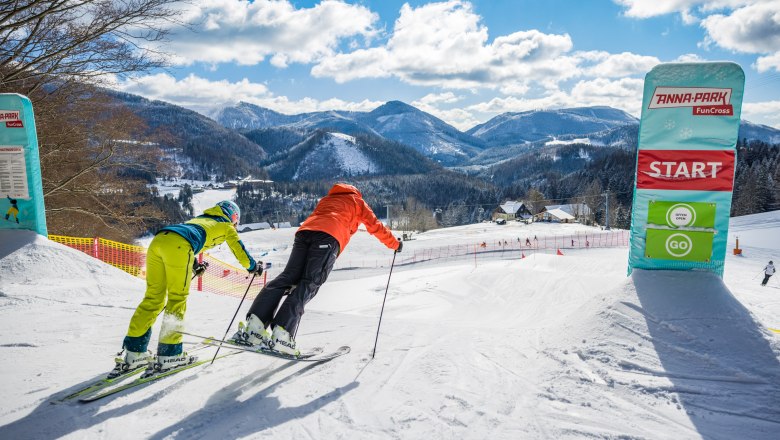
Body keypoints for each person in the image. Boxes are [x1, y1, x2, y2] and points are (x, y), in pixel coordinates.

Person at [232, 183, 400, 356]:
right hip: (328, 237)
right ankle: (282, 335)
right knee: (309, 283)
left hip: (304, 233)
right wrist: (395, 244)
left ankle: (254, 329)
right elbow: (375, 225)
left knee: (288, 277)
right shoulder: (357, 201)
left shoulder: (327, 199)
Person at [112, 200, 262, 377]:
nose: (235, 224)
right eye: (236, 220)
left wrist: (195, 265)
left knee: (153, 298)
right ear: (233, 216)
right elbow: (239, 250)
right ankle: (170, 355)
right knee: (177, 298)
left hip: (158, 242)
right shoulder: (225, 225)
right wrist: (253, 267)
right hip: (179, 246)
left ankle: (135, 353)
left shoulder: (201, 219)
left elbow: (186, 237)